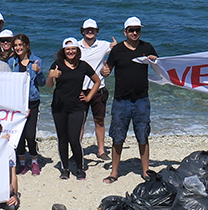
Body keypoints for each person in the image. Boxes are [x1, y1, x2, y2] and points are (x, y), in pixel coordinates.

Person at [102, 17, 158, 183]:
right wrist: (105, 72)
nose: (135, 33)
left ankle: (146, 171)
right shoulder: (118, 50)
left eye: (137, 30)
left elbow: (160, 67)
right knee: (117, 137)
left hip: (141, 100)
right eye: (131, 30)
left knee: (143, 136)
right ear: (125, 32)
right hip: (121, 101)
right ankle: (114, 172)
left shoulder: (147, 47)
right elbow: (108, 70)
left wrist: (155, 61)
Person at [47, 38, 99, 180]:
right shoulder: (57, 65)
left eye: (73, 49)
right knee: (62, 139)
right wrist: (51, 76)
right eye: (68, 49)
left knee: (74, 139)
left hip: (77, 107)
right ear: (63, 51)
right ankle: (65, 169)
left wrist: (88, 97)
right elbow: (49, 85)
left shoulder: (83, 65)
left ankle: (80, 169)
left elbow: (97, 81)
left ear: (77, 50)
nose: (70, 51)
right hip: (59, 107)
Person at [9, 34, 45, 175]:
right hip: (17, 103)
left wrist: (39, 72)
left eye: (20, 45)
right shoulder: (11, 62)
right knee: (20, 134)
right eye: (15, 45)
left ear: (26, 46)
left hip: (32, 101)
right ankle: (22, 162)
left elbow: (42, 83)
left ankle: (34, 161)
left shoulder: (36, 61)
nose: (18, 48)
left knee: (30, 134)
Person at [78, 19, 113, 159]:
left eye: (93, 29)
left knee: (99, 120)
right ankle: (78, 150)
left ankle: (101, 150)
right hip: (80, 89)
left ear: (97, 31)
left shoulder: (104, 45)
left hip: (98, 89)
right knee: (80, 121)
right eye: (87, 29)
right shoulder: (76, 46)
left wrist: (109, 67)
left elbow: (119, 52)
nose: (90, 31)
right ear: (82, 31)